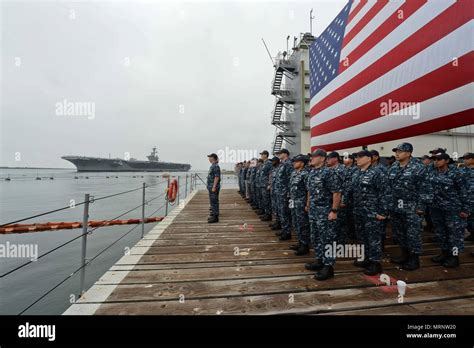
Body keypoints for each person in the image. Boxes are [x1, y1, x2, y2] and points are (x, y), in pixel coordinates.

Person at [387, 143, 433, 271]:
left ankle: (414, 259)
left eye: (400, 151)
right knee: (400, 232)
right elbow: (389, 187)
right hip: (396, 207)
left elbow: (426, 189)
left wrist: (421, 207)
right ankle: (405, 254)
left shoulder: (419, 167)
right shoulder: (394, 166)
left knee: (412, 234)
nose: (397, 153)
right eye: (396, 151)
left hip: (412, 208)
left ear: (408, 153)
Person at [344, 150, 389, 276]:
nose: (356, 159)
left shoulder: (377, 173)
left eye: (359, 157)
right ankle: (366, 258)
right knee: (362, 237)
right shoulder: (356, 173)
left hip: (373, 213)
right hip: (359, 211)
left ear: (369, 159)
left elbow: (385, 193)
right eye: (356, 157)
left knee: (373, 238)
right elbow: (351, 190)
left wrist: (383, 212)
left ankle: (375, 263)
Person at [305, 149, 342, 280]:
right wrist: (308, 204)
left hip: (325, 211)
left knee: (328, 239)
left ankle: (328, 266)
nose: (312, 159)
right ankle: (319, 260)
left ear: (322, 158)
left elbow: (336, 193)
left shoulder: (329, 173)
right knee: (315, 237)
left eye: (314, 157)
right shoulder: (312, 172)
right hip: (314, 211)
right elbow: (309, 190)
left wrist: (334, 211)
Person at [430, 152, 469, 267]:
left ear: (447, 160)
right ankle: (444, 253)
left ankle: (454, 257)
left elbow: (465, 192)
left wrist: (466, 209)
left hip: (453, 210)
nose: (436, 161)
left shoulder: (456, 173)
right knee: (441, 233)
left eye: (439, 159)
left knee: (454, 234)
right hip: (437, 209)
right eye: (434, 159)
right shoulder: (433, 173)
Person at [289, 154, 311, 255]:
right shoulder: (294, 173)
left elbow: (309, 191)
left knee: (303, 224)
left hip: (301, 202)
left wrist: (307, 204)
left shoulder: (306, 174)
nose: (294, 163)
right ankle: (300, 241)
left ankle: (305, 245)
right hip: (293, 201)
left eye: (296, 161)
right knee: (295, 222)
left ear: (302, 163)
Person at [327, 151, 347, 244]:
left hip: (340, 200)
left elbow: (346, 187)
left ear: (335, 158)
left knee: (340, 223)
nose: (327, 160)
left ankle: (341, 243)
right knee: (333, 224)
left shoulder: (342, 169)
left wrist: (343, 200)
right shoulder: (329, 169)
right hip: (331, 200)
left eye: (329, 158)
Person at [274, 149, 293, 241]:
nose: (279, 155)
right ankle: (284, 229)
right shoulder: (282, 164)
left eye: (280, 153)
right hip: (280, 192)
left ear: (285, 154)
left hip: (285, 193)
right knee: (282, 212)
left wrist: (289, 193)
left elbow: (290, 179)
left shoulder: (288, 164)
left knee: (285, 212)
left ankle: (287, 232)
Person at [459, 153, 474, 242]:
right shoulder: (461, 170)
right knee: (468, 221)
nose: (464, 160)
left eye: (466, 158)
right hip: (466, 199)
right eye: (464, 158)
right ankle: (472, 233)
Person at [258, 151, 273, 222]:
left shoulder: (269, 163)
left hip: (266, 185)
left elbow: (270, 173)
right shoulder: (264, 163)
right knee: (264, 200)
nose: (261, 156)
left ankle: (269, 215)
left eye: (262, 154)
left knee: (267, 200)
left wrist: (269, 184)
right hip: (262, 184)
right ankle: (266, 213)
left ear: (266, 155)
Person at [207, 153, 221, 223]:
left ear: (213, 158)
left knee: (214, 201)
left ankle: (215, 217)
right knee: (212, 201)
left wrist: (214, 186)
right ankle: (213, 213)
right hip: (211, 186)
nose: (209, 159)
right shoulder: (212, 165)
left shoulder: (215, 166)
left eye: (210, 157)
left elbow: (217, 177)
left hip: (213, 187)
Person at [270, 156, 282, 230]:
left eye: (273, 161)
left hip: (280, 191)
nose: (272, 162)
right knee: (275, 208)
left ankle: (280, 224)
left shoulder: (279, 169)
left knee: (280, 209)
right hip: (275, 190)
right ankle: (277, 222)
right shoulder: (274, 170)